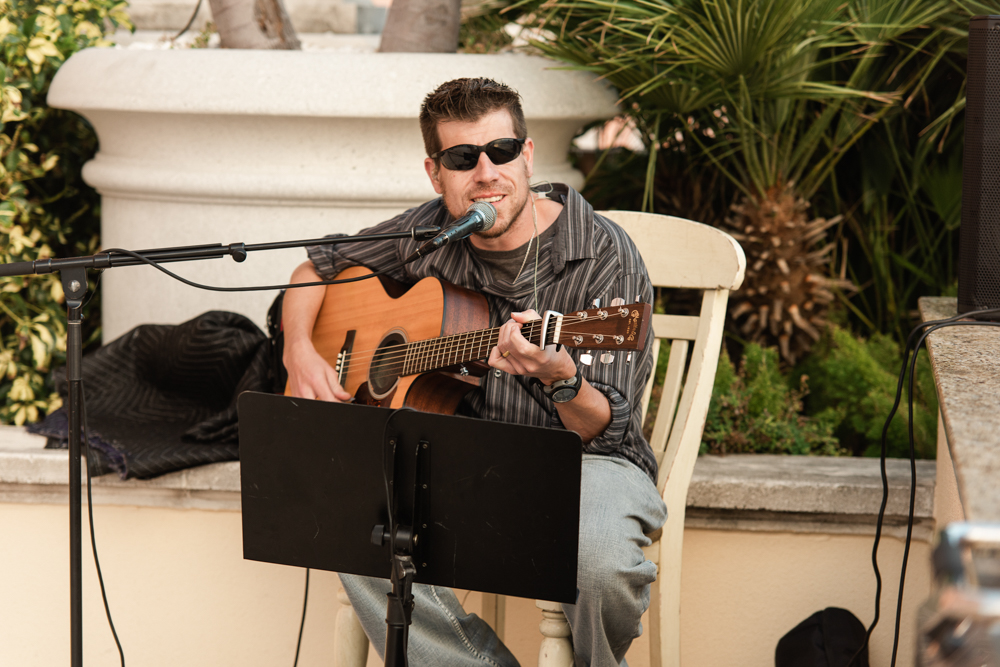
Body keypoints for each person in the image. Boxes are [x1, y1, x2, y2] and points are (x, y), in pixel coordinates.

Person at [281, 77, 667, 667]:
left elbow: (604, 430)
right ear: (437, 175)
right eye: (463, 159)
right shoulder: (429, 233)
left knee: (600, 563)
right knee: (356, 523)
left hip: (586, 462)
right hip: (459, 460)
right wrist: (300, 352)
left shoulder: (602, 250)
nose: (486, 172)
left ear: (528, 154)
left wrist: (559, 375)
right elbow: (317, 266)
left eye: (502, 152)